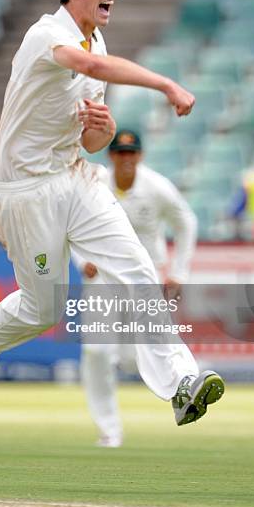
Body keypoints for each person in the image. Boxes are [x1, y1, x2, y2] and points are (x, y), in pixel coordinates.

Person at [0, 0, 224, 427]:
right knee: (43, 309)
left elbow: (93, 138)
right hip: (24, 191)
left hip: (75, 178)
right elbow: (91, 69)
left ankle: (180, 383)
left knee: (138, 268)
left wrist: (103, 124)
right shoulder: (46, 34)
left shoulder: (97, 47)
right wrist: (166, 85)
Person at [73, 129, 198, 447]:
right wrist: (81, 259)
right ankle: (109, 429)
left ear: (139, 156)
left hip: (144, 277)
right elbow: (70, 224)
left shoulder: (156, 187)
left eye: (131, 153)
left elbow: (186, 222)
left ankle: (185, 385)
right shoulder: (95, 184)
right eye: (120, 153)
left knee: (141, 352)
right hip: (103, 278)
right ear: (111, 155)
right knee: (98, 352)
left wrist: (179, 272)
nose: (126, 159)